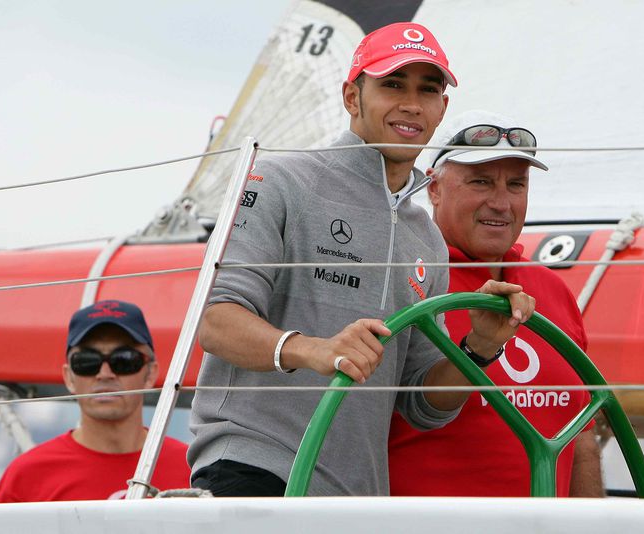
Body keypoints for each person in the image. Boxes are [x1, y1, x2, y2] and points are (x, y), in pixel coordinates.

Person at [189, 24, 535, 497]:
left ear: (441, 110)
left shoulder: (426, 237)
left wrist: (480, 347)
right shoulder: (280, 179)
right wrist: (312, 349)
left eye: (427, 90)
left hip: (356, 495)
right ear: (352, 97)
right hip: (255, 467)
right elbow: (216, 321)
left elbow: (425, 405)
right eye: (393, 84)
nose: (411, 103)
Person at [388, 110, 604, 497]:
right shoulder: (403, 277)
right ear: (434, 188)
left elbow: (582, 437)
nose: (502, 203)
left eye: (516, 185)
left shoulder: (554, 290)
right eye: (481, 182)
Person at [0, 300, 190, 502]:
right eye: (87, 361)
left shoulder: (193, 469)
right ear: (69, 377)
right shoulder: (26, 476)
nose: (105, 374)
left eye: (124, 359)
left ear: (150, 374)